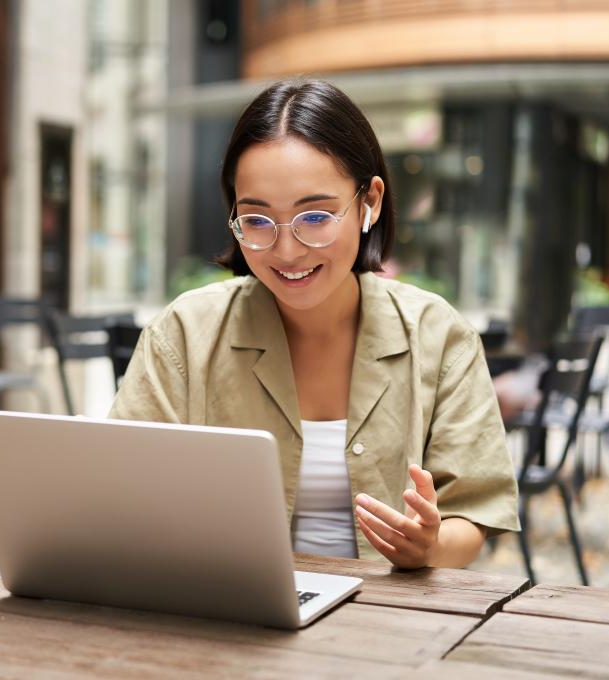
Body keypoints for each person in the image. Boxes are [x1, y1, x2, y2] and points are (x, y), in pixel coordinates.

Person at [109, 79, 519, 568]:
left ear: (370, 202)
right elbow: (120, 498)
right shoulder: (183, 337)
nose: (286, 251)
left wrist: (429, 546)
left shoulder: (439, 336)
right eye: (258, 221)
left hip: (387, 624)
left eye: (316, 217)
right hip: (226, 618)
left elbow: (471, 514)